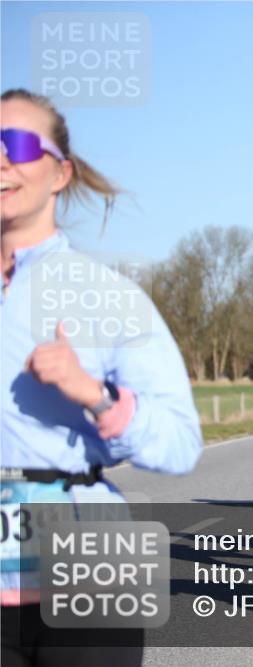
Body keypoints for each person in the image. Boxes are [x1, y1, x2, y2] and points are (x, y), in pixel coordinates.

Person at [1, 88, 202, 666]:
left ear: (60, 173)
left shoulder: (107, 296)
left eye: (15, 144)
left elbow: (179, 443)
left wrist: (95, 395)